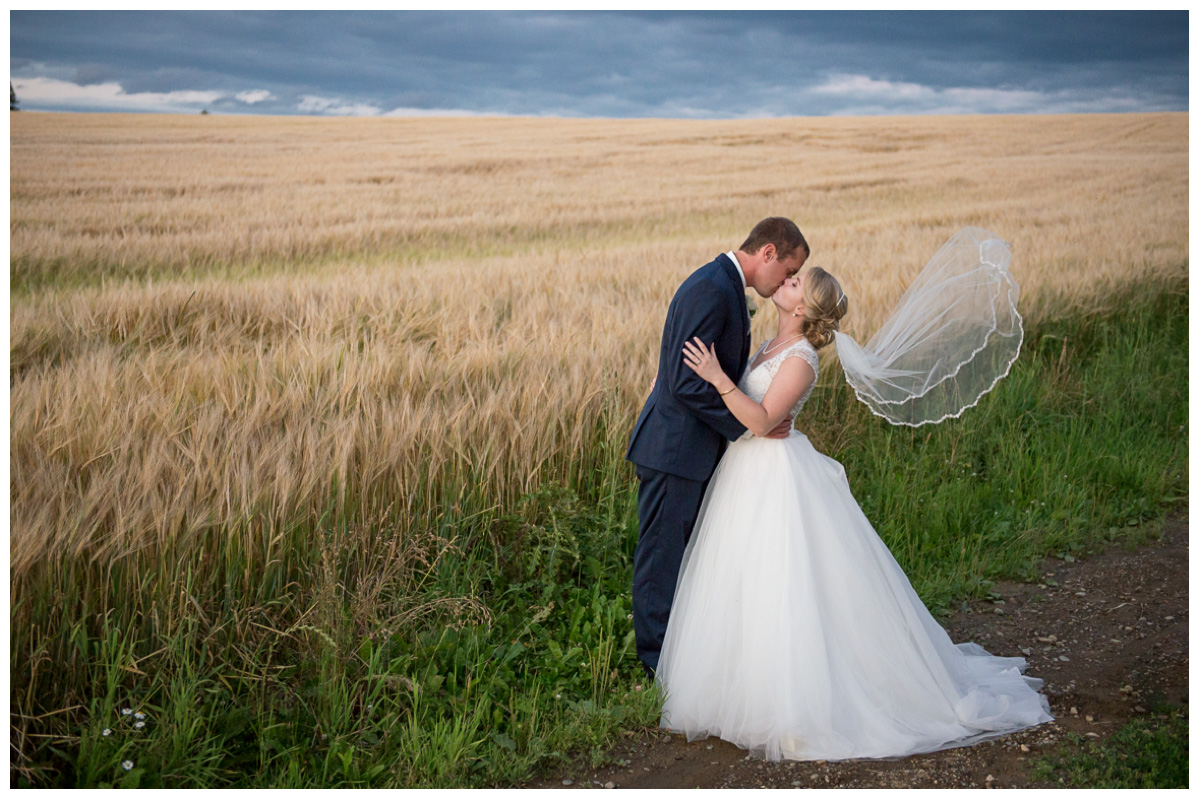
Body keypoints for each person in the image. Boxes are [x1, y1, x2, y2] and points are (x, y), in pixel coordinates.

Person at [658, 262, 1053, 761]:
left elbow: (760, 421)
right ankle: (736, 689)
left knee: (784, 585)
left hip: (776, 474)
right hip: (745, 473)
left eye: (795, 283)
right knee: (742, 580)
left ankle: (792, 704)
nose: (785, 281)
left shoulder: (800, 358)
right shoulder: (769, 345)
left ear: (802, 308)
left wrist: (716, 377)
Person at [626, 217, 809, 679]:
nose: (786, 281)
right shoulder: (713, 288)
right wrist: (751, 426)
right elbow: (688, 382)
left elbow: (681, 371)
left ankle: (678, 660)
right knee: (661, 560)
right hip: (673, 450)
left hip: (687, 449)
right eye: (788, 269)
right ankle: (656, 669)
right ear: (767, 252)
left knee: (681, 557)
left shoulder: (722, 284)